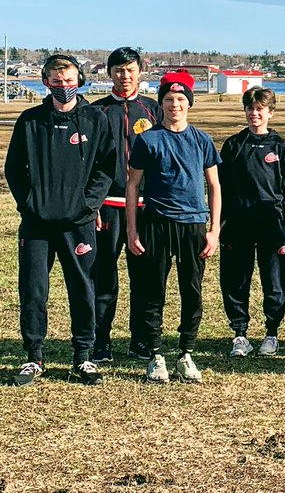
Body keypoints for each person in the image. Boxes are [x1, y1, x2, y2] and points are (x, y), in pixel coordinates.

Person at [6, 54, 116, 386]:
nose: (63, 87)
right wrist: (29, 204)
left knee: (82, 289)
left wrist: (87, 205)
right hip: (37, 223)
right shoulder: (30, 121)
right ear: (45, 83)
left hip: (77, 223)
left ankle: (83, 358)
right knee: (34, 290)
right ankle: (33, 357)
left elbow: (106, 168)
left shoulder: (95, 120)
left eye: (68, 81)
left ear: (79, 81)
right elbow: (14, 170)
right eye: (56, 82)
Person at [126, 70, 221, 383]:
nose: (174, 104)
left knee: (191, 292)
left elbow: (214, 186)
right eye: (169, 99)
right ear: (161, 103)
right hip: (156, 224)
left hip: (193, 226)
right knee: (152, 292)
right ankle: (155, 355)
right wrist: (132, 230)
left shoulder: (202, 140)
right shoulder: (148, 140)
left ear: (189, 104)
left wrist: (214, 230)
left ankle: (186, 353)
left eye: (181, 99)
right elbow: (133, 186)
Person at [90, 47, 162, 363]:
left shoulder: (153, 110)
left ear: (140, 72)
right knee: (103, 276)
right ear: (110, 74)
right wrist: (90, 205)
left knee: (144, 277)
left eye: (130, 70)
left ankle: (140, 341)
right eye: (118, 70)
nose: (125, 76)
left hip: (145, 207)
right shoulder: (95, 112)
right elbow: (86, 162)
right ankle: (101, 342)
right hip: (107, 205)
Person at [218, 87, 285, 358]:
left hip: (271, 224)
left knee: (273, 281)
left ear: (270, 112)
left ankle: (271, 333)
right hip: (238, 224)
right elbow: (221, 186)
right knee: (236, 280)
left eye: (260, 109)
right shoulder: (233, 145)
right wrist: (220, 222)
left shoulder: (280, 147)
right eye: (250, 108)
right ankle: (240, 334)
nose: (254, 113)